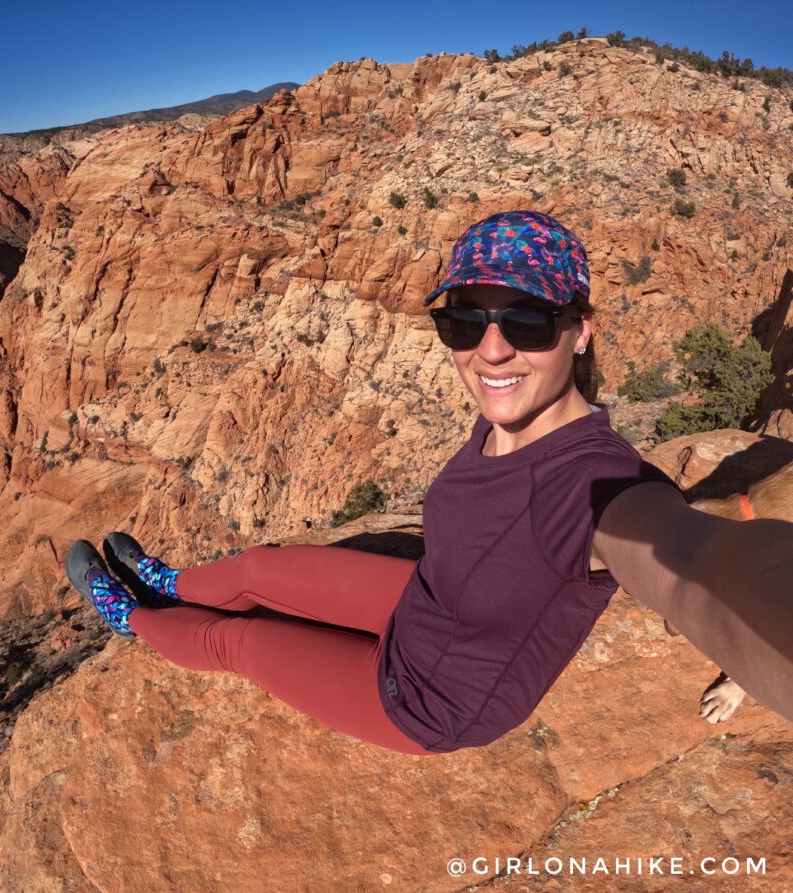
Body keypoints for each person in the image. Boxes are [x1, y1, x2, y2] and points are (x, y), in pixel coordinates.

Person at [65, 210, 793, 755]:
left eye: (529, 319)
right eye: (465, 321)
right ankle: (165, 582)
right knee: (257, 568)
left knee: (241, 643)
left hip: (433, 696)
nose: (493, 348)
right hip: (425, 602)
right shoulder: (510, 419)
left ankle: (130, 615)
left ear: (581, 330)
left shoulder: (599, 484)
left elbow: (692, 562)